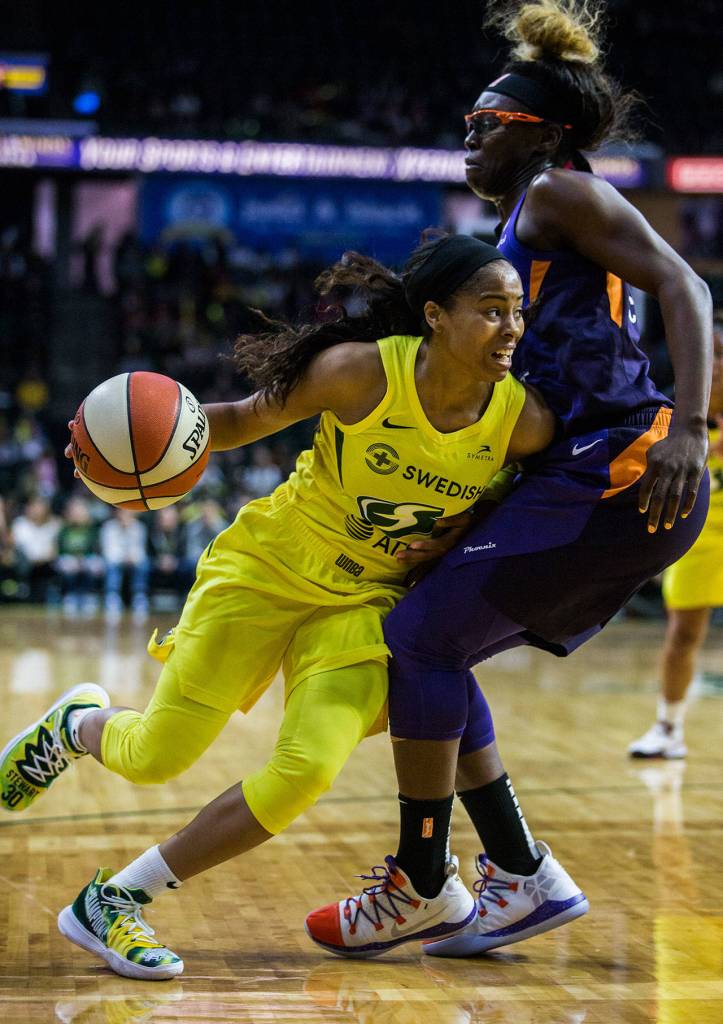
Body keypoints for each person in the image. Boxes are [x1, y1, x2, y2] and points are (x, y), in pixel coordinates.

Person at [0, 234, 556, 980]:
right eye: (491, 311)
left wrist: (469, 528)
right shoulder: (359, 374)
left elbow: (524, 508)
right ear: (434, 316)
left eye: (516, 311)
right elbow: (235, 420)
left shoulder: (523, 423)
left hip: (362, 602)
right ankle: (77, 726)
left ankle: (113, 902)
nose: (511, 328)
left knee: (303, 770)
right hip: (267, 569)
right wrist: (119, 446)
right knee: (155, 757)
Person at [305, 0, 712, 959]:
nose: (468, 133)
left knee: (421, 639)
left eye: (486, 121)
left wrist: (689, 427)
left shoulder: (559, 194)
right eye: (468, 120)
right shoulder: (522, 225)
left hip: (624, 466)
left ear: (543, 134)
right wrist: (468, 521)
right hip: (574, 470)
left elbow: (685, 287)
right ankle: (517, 871)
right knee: (429, 627)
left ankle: (424, 880)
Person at [629, 319, 723, 758]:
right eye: (713, 355)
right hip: (700, 540)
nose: (717, 365)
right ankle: (668, 729)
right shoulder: (679, 415)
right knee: (683, 634)